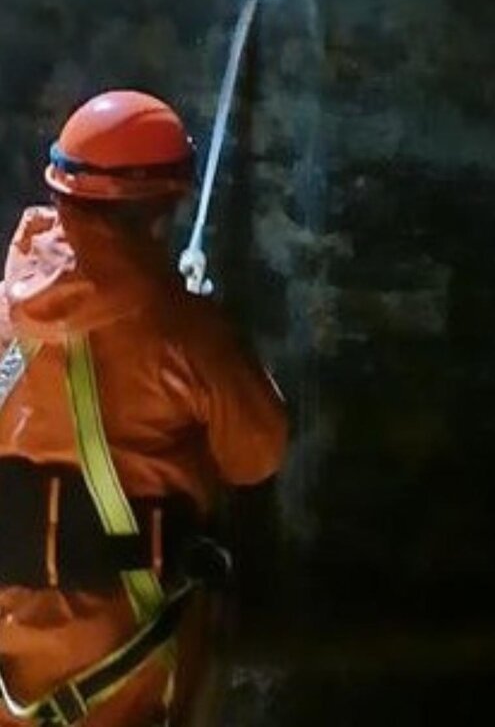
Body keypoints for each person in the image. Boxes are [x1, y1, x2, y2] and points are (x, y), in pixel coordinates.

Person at [0, 90, 287, 726]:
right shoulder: (185, 331)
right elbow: (256, 454)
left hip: (10, 679)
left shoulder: (4, 313)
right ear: (161, 209)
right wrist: (213, 340)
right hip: (128, 668)